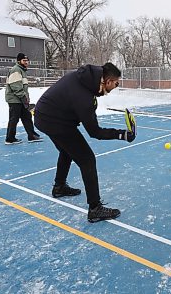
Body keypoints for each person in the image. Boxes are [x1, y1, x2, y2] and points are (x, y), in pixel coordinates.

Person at [34, 63, 136, 223]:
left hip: (45, 116)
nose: (116, 86)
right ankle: (95, 208)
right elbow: (94, 132)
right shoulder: (84, 97)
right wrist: (122, 135)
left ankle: (59, 187)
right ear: (108, 81)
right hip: (53, 121)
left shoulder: (86, 79)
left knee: (67, 150)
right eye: (116, 83)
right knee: (87, 159)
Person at [5, 53, 42, 144]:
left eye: (27, 60)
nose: (26, 62)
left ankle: (31, 135)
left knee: (27, 117)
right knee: (14, 119)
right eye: (24, 60)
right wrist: (23, 98)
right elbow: (16, 86)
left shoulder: (22, 71)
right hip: (14, 100)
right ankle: (10, 139)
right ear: (19, 61)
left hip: (21, 99)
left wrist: (26, 98)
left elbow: (23, 87)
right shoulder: (16, 70)